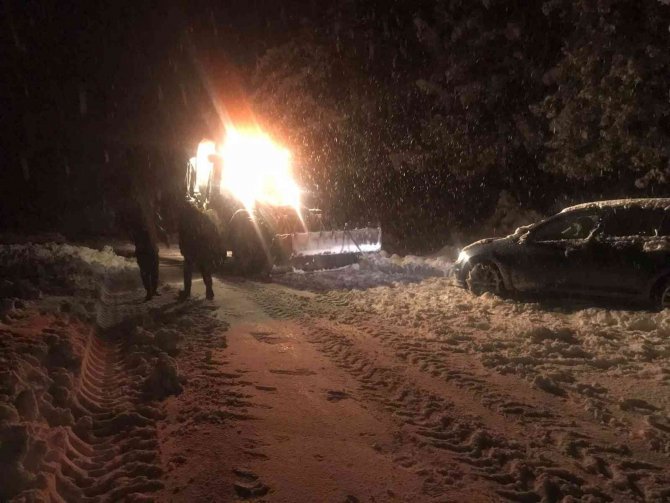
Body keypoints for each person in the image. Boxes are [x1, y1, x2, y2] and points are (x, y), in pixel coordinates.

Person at [177, 198, 224, 301]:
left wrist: (184, 248)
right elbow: (213, 231)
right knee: (205, 270)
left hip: (192, 248)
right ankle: (209, 290)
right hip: (203, 248)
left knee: (188, 270)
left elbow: (182, 236)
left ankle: (187, 291)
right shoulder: (202, 217)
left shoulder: (185, 219)